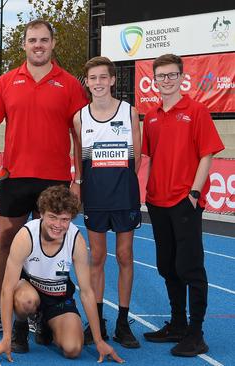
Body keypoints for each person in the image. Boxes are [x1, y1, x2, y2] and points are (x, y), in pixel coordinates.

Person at [0, 19, 87, 337]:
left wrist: (79, 180)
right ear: (24, 44)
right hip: (15, 176)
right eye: (32, 40)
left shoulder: (70, 85)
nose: (38, 45)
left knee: (49, 245)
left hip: (56, 179)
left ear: (53, 44)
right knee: (6, 242)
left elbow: (80, 136)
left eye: (44, 40)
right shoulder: (6, 82)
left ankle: (38, 310)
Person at [141, 54, 224, 357]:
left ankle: (196, 333)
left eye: (172, 75)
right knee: (167, 266)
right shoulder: (150, 116)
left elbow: (207, 155)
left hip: (184, 201)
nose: (166, 80)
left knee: (190, 267)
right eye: (161, 76)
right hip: (157, 202)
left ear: (181, 77)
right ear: (154, 79)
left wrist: (194, 192)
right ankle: (177, 324)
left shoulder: (197, 111)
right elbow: (149, 158)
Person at [0, 185, 123, 363]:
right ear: (41, 213)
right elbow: (7, 288)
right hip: (28, 291)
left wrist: (98, 340)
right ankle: (20, 328)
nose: (58, 225)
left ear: (71, 219)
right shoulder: (26, 236)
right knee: (25, 300)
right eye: (52, 217)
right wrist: (5, 337)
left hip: (58, 297)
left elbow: (87, 292)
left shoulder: (76, 239)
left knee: (73, 349)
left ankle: (46, 324)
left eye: (64, 219)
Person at [72, 56, 141, 348]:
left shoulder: (130, 112)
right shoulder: (80, 117)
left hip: (124, 195)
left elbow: (135, 158)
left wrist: (121, 183)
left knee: (125, 257)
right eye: (93, 78)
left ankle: (123, 323)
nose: (98, 83)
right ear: (86, 83)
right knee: (97, 258)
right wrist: (79, 183)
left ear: (113, 80)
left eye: (103, 77)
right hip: (96, 197)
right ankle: (96, 321)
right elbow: (79, 158)